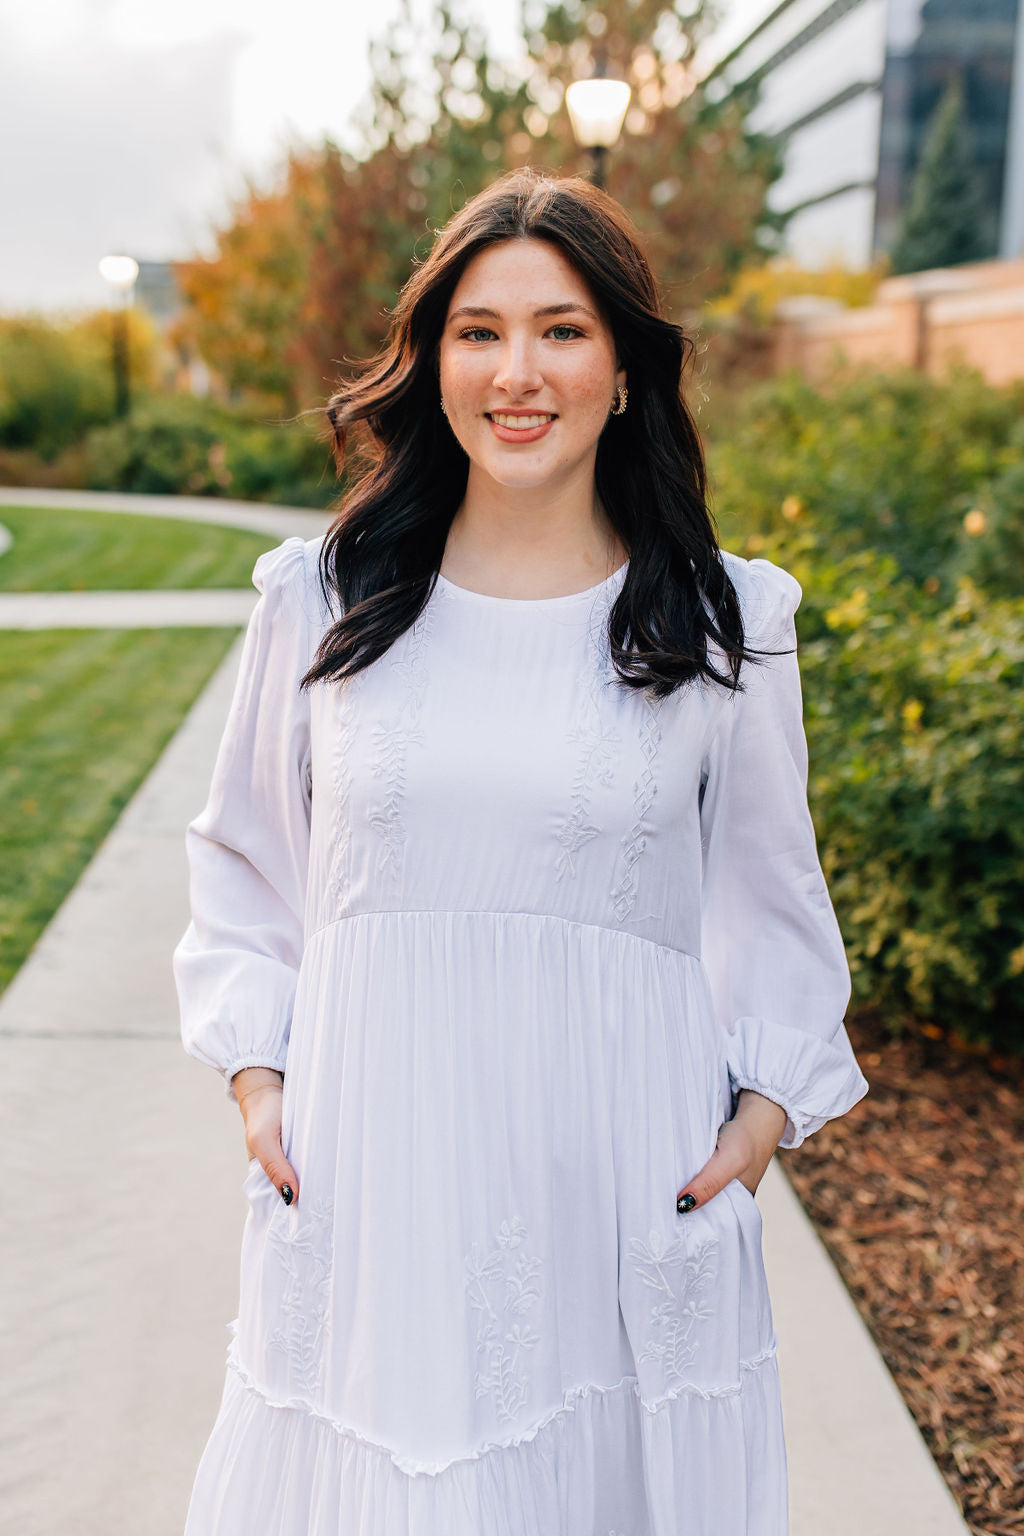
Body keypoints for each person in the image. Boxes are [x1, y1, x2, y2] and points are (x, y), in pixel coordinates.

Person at [172, 166, 869, 1535]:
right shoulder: (326, 598)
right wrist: (260, 1082)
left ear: (625, 368)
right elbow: (245, 859)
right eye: (477, 331)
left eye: (562, 329)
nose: (516, 371)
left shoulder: (731, 622)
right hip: (376, 1179)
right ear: (433, 362)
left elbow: (775, 896)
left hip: (616, 1187)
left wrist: (766, 1116)